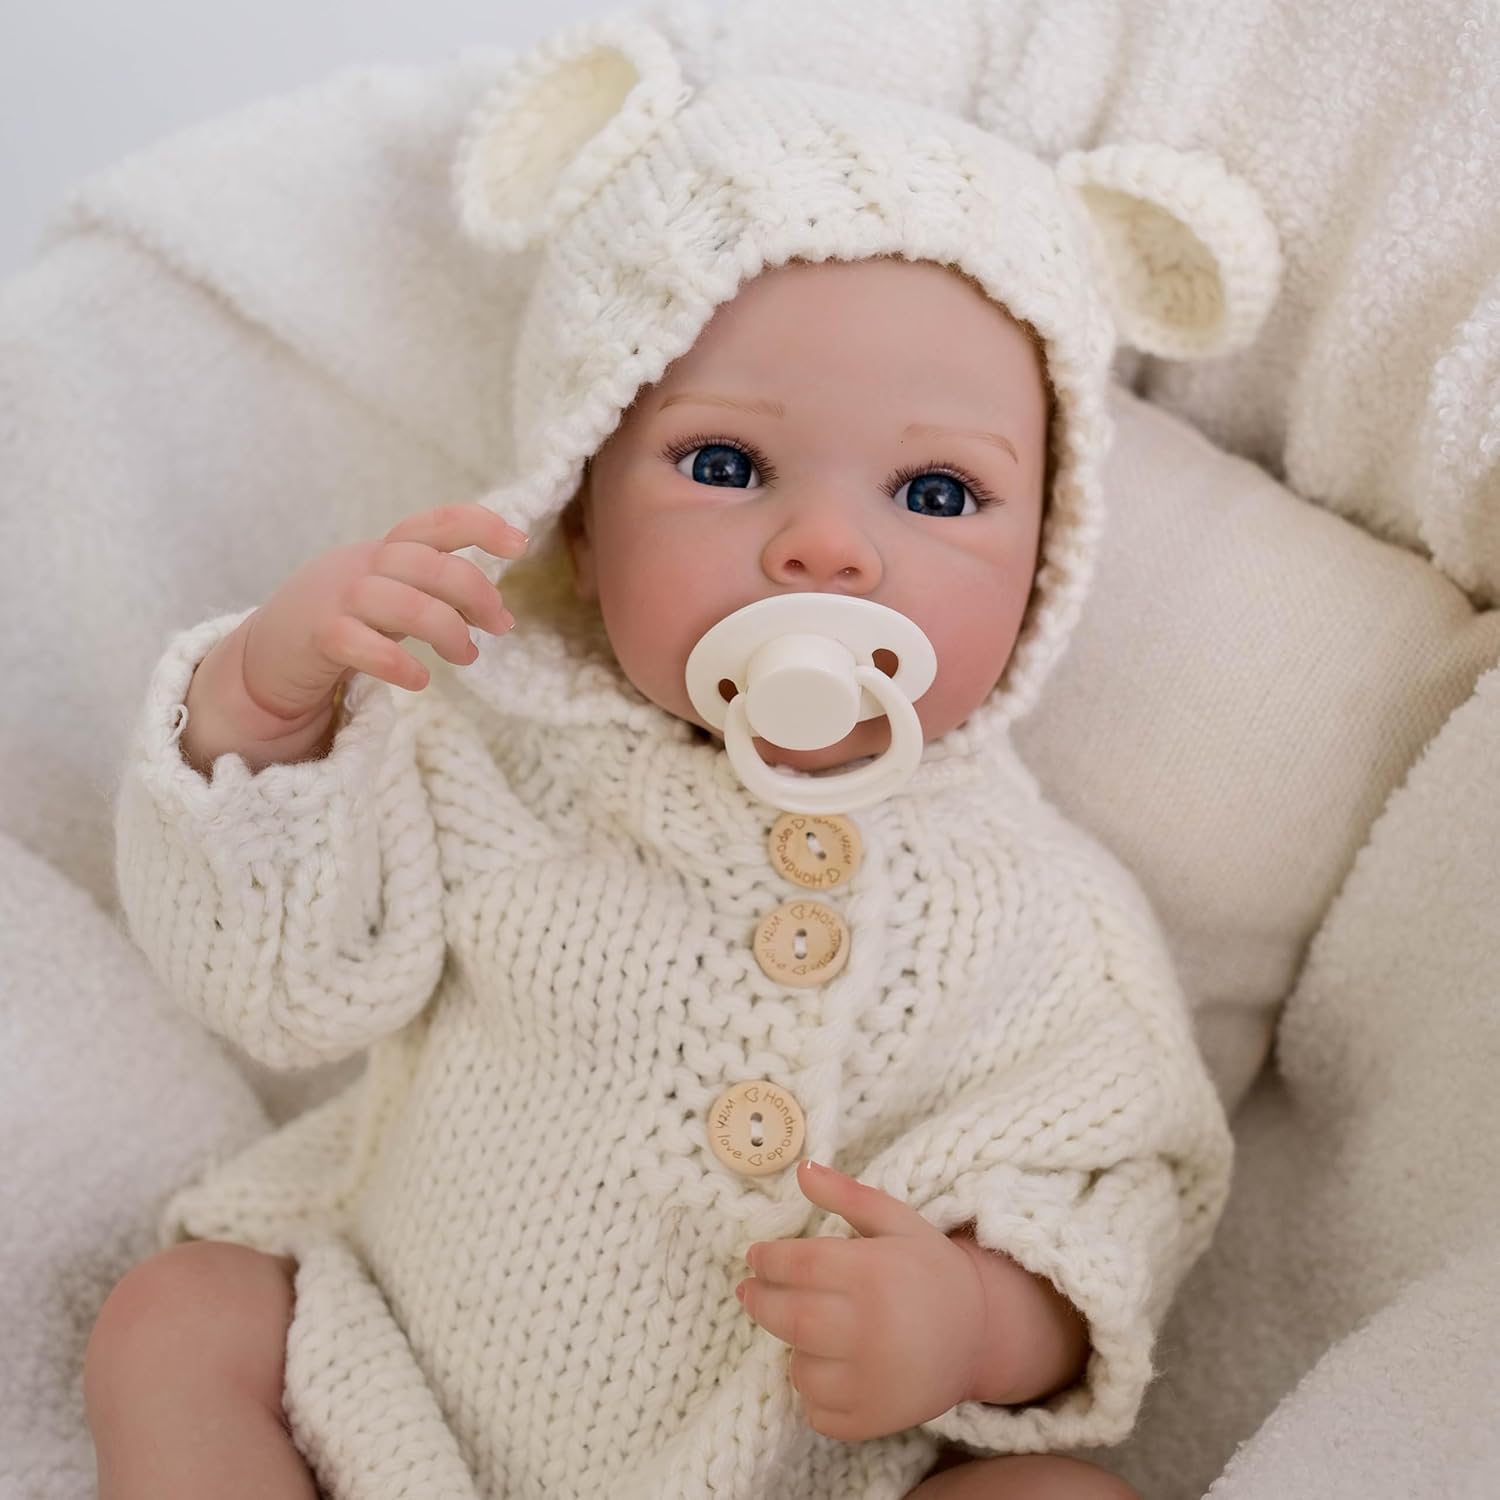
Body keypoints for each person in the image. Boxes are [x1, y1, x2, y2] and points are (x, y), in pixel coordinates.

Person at [83, 14, 1280, 1500]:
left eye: (934, 492)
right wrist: (269, 708)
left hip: (799, 1469)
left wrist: (977, 1321)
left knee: (1057, 1498)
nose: (827, 547)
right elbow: (273, 980)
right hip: (390, 1408)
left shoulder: (1044, 917)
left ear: (1047, 562)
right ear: (581, 521)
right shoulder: (483, 746)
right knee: (182, 1316)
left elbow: (1118, 1195)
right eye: (725, 466)